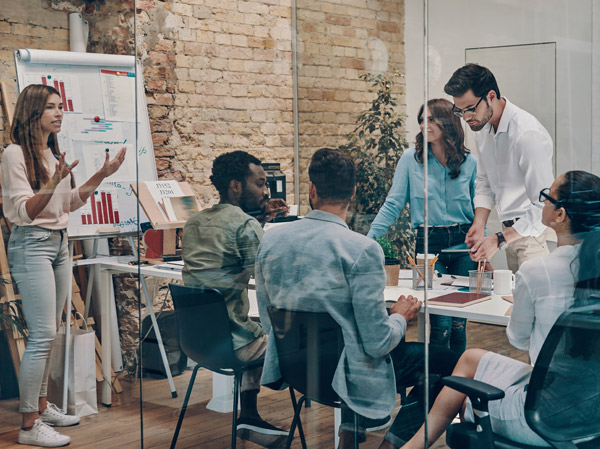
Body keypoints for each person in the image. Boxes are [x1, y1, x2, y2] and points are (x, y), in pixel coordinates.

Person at [255, 148, 458, 449]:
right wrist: (400, 317)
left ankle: (347, 437)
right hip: (346, 372)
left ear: (311, 190)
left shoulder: (271, 238)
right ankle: (392, 445)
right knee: (449, 362)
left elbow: (268, 319)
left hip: (296, 367)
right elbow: (377, 343)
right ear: (353, 191)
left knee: (350, 340)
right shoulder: (360, 249)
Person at [399, 170, 600, 449]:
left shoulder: (537, 271)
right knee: (470, 358)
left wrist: (521, 308)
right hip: (592, 413)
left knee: (464, 393)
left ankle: (412, 446)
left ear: (560, 215)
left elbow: (518, 339)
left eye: (546, 197)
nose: (541, 202)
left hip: (545, 420)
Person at [1, 84, 126, 447]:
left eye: (60, 107)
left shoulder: (52, 154)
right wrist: (53, 180)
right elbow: (25, 212)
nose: (58, 114)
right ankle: (28, 426)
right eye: (50, 108)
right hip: (32, 245)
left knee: (51, 334)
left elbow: (69, 203)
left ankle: (41, 405)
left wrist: (100, 175)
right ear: (32, 113)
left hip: (59, 244)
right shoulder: (14, 154)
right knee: (40, 337)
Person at [181, 150, 289, 447]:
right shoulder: (245, 227)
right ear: (236, 186)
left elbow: (231, 255)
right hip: (234, 344)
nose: (266, 191)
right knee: (297, 339)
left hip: (198, 342)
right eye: (260, 183)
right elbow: (272, 279)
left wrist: (261, 220)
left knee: (256, 330)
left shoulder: (194, 223)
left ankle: (249, 416)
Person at [368, 98, 477, 356]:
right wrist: (368, 241)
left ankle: (456, 385)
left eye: (430, 119)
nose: (423, 125)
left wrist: (483, 246)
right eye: (421, 119)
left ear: (447, 122)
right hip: (428, 245)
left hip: (464, 244)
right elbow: (393, 204)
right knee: (440, 323)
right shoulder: (410, 159)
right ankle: (438, 386)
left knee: (459, 324)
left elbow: (479, 211)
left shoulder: (469, 163)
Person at [444, 63, 554, 272]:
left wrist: (499, 240)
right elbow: (484, 183)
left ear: (491, 96)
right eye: (460, 111)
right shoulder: (481, 127)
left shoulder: (526, 134)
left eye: (470, 109)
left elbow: (544, 206)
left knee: (533, 300)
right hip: (508, 232)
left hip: (531, 235)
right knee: (513, 300)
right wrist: (478, 224)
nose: (466, 118)